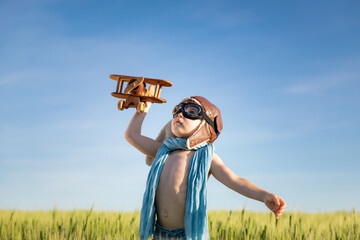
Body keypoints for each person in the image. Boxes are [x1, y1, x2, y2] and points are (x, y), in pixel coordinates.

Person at [125, 96, 286, 240]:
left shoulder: (205, 156)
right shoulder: (163, 151)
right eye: (177, 110)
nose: (180, 114)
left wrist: (263, 195)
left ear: (205, 124)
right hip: (159, 234)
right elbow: (132, 135)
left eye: (191, 110)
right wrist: (143, 110)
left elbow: (234, 180)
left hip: (187, 235)